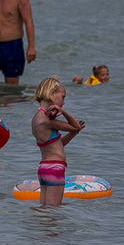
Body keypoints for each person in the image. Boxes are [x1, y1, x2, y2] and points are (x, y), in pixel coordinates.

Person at [31, 77, 85, 207]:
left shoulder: (36, 119)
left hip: (44, 169)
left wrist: (73, 133)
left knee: (45, 210)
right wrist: (64, 112)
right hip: (55, 169)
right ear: (51, 94)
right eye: (63, 97)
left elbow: (57, 145)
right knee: (53, 214)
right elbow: (76, 126)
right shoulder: (46, 120)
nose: (64, 102)